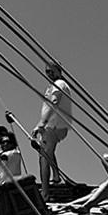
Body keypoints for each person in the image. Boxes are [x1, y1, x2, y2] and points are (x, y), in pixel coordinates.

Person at [31, 61, 73, 198]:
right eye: (47, 71)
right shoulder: (55, 85)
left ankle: (45, 193)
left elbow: (54, 102)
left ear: (59, 71)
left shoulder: (59, 84)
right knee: (49, 151)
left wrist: (42, 123)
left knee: (43, 155)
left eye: (51, 71)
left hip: (53, 125)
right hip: (54, 125)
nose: (49, 74)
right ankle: (55, 177)